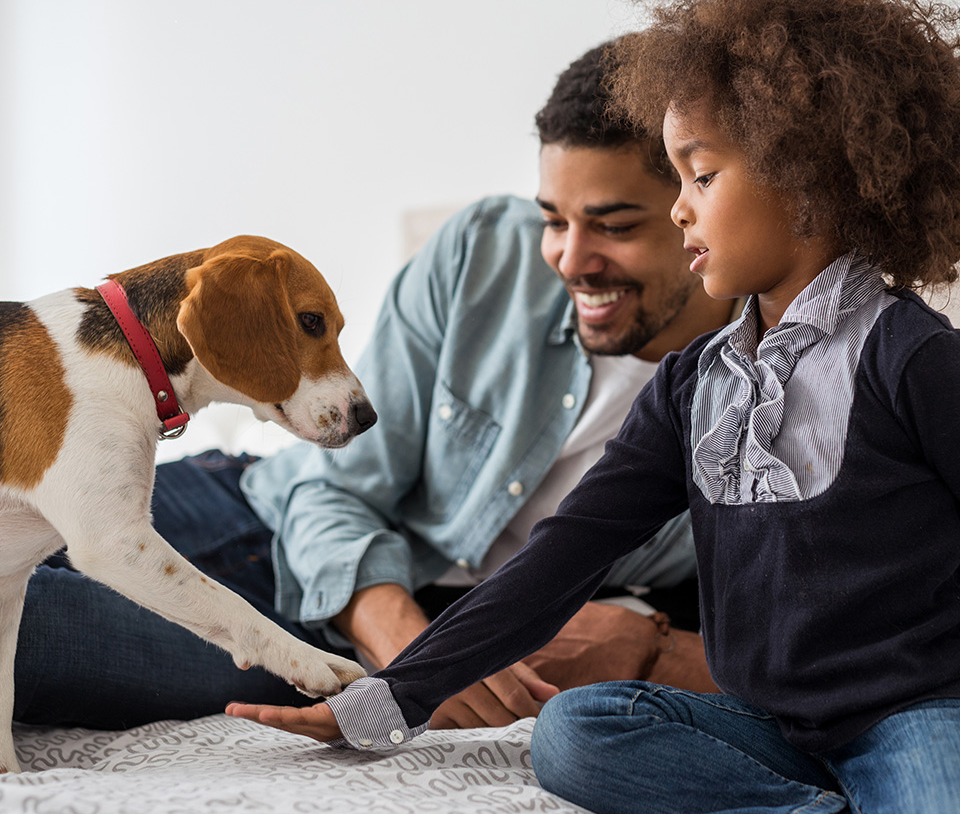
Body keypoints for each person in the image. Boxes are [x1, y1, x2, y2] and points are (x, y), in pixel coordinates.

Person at [226, 0, 960, 813]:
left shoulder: (913, 356)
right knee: (576, 732)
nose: (681, 205)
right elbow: (561, 561)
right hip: (765, 726)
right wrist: (389, 701)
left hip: (914, 716)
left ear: (811, 183)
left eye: (702, 174)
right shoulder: (695, 384)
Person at [14, 40, 734, 732]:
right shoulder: (485, 252)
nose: (570, 260)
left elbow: (821, 646)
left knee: (39, 635)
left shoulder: (770, 388)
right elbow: (339, 481)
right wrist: (400, 639)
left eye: (614, 225)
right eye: (553, 218)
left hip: (323, 630)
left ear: (695, 203)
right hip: (268, 514)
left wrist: (653, 646)